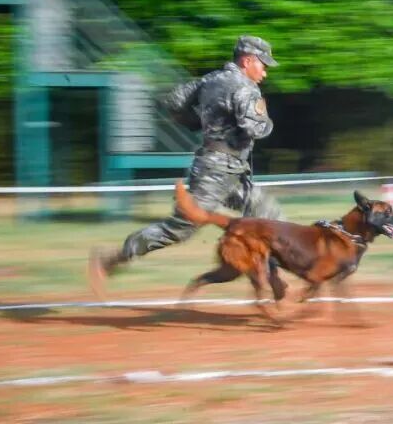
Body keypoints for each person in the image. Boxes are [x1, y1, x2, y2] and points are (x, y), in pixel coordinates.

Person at [88, 35, 284, 298]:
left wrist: (197, 122)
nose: (265, 72)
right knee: (179, 229)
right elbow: (255, 128)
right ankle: (111, 258)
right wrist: (267, 121)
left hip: (225, 169)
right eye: (263, 64)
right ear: (248, 60)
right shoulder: (245, 88)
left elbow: (174, 100)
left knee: (268, 214)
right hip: (217, 172)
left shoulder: (210, 79)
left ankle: (273, 276)